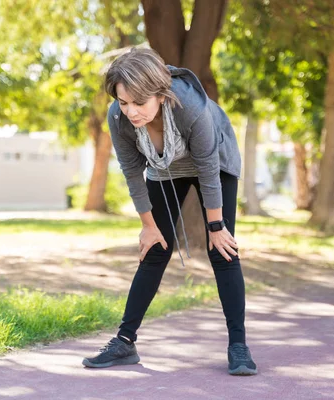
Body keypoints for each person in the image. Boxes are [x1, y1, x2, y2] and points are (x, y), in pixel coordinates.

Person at [82, 48, 257, 376]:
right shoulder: (119, 118)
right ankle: (124, 342)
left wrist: (216, 225)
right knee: (155, 249)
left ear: (160, 95)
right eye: (123, 102)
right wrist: (148, 225)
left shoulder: (190, 106)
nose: (131, 112)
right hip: (165, 169)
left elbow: (207, 167)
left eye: (139, 103)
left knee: (222, 249)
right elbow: (132, 172)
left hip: (214, 161)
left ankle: (239, 346)